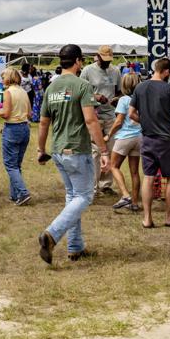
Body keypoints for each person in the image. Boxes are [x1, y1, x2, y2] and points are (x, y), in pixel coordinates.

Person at [36, 44, 110, 264]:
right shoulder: (82, 85)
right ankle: (52, 234)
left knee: (72, 196)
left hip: (58, 150)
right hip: (77, 149)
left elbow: (43, 122)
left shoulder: (51, 88)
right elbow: (90, 119)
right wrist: (103, 149)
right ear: (78, 61)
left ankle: (75, 247)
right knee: (85, 196)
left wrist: (41, 149)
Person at [129, 57, 170, 228]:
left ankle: (147, 218)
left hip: (147, 139)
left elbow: (131, 113)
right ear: (167, 71)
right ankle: (169, 217)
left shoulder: (140, 87)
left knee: (148, 177)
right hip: (167, 139)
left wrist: (145, 122)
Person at [81, 45, 121, 195]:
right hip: (94, 114)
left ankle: (106, 184)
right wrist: (95, 97)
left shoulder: (115, 70)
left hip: (110, 115)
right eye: (104, 60)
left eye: (109, 60)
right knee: (95, 152)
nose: (106, 63)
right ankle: (93, 186)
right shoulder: (87, 71)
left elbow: (119, 91)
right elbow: (80, 91)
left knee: (110, 150)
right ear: (97, 56)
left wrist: (117, 100)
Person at [0, 67, 32, 205]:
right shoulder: (23, 92)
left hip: (12, 128)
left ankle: (23, 192)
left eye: (3, 78)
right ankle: (15, 194)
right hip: (25, 127)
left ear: (8, 78)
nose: (2, 80)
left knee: (10, 164)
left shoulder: (8, 92)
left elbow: (6, 113)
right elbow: (30, 113)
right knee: (16, 164)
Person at [104, 73, 142, 212]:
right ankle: (135, 203)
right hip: (139, 137)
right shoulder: (142, 99)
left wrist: (108, 135)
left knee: (113, 166)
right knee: (135, 172)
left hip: (125, 137)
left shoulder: (124, 100)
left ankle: (126, 196)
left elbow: (119, 121)